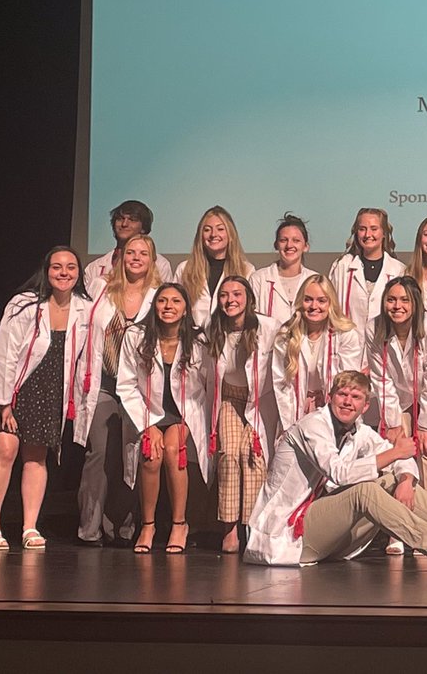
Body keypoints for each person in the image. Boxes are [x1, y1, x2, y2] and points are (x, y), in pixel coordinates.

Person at [244, 371, 427, 566]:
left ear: (365, 406)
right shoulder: (313, 425)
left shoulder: (359, 431)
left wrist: (404, 479)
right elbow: (339, 472)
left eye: (355, 398)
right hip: (287, 533)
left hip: (322, 530)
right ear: (330, 398)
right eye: (342, 394)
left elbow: (402, 459)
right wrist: (394, 453)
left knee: (390, 480)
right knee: (365, 491)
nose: (347, 402)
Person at [0, 247, 93, 550]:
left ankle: (30, 526)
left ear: (79, 273)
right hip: (17, 387)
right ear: (46, 271)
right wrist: (4, 403)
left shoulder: (85, 308)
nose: (63, 272)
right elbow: (5, 354)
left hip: (51, 390)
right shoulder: (25, 304)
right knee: (4, 450)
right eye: (57, 267)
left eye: (70, 267)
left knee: (36, 457)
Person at [76, 234, 161, 546]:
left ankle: (124, 527)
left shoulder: (158, 294)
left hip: (138, 388)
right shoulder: (101, 289)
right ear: (121, 257)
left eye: (143, 253)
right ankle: (90, 527)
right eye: (130, 252)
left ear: (152, 260)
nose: (136, 258)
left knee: (132, 455)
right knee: (97, 454)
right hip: (104, 384)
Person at [116, 282, 208, 554]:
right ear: (154, 306)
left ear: (185, 309)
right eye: (162, 301)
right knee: (151, 455)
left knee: (173, 450)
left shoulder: (198, 340)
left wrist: (189, 423)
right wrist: (147, 424)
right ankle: (148, 525)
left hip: (185, 413)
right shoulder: (136, 336)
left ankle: (179, 524)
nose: (168, 307)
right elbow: (126, 384)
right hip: (149, 412)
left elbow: (206, 385)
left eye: (176, 301)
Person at [203, 276, 281, 553]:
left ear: (248, 298)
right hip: (228, 400)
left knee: (253, 457)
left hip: (260, 402)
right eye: (224, 295)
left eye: (237, 294)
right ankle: (230, 527)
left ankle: (251, 525)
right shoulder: (213, 327)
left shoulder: (268, 327)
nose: (230, 300)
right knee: (228, 455)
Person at [367, 277, 427, 501]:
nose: (397, 306)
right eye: (391, 300)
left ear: (415, 303)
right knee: (396, 452)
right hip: (396, 401)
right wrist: (393, 423)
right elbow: (381, 379)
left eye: (404, 300)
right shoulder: (374, 327)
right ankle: (398, 522)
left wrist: (425, 424)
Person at [272, 275, 363, 429]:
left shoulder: (346, 334)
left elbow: (348, 383)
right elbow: (282, 384)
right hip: (296, 408)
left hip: (334, 407)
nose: (314, 306)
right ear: (300, 302)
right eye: (308, 300)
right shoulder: (286, 334)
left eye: (321, 300)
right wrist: (290, 426)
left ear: (330, 303)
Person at [328, 208, 407, 343]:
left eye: (374, 228)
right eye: (362, 229)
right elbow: (330, 308)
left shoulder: (399, 270)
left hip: (383, 351)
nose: (367, 234)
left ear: (384, 233)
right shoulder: (342, 266)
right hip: (346, 349)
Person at [176, 206, 254, 326]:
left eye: (220, 229)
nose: (213, 234)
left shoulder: (246, 270)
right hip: (192, 341)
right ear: (200, 236)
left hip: (231, 340)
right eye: (207, 230)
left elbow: (250, 312)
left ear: (231, 234)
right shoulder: (185, 269)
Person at [83, 199, 173, 288]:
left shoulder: (160, 264)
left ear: (143, 227)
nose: (124, 224)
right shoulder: (94, 267)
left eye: (132, 220)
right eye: (120, 219)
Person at [248, 213, 318, 323]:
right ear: (276, 245)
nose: (289, 245)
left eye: (296, 240)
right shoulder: (259, 279)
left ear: (305, 246)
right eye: (283, 240)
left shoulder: (315, 280)